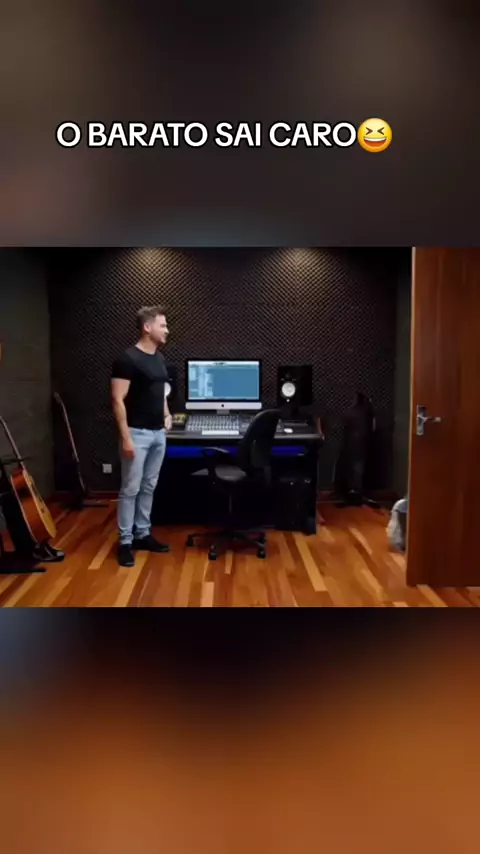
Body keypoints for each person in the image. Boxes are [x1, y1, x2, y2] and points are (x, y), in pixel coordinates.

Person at [111, 305, 172, 567]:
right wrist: (126, 438)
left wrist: (167, 414)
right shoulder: (127, 360)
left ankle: (142, 534)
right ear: (147, 327)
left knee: (149, 486)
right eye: (163, 325)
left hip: (158, 434)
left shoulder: (159, 358)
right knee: (130, 489)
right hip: (137, 434)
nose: (167, 330)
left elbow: (160, 391)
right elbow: (117, 399)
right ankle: (125, 542)